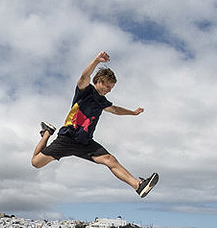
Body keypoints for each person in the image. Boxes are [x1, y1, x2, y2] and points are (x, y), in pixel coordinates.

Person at [32, 51, 158, 197]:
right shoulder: (85, 91)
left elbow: (115, 109)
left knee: (110, 160)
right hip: (67, 138)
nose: (109, 90)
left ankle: (138, 185)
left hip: (85, 143)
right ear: (99, 81)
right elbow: (83, 77)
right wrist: (97, 61)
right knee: (36, 163)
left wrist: (133, 113)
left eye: (111, 88)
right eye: (107, 86)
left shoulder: (102, 101)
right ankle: (47, 132)